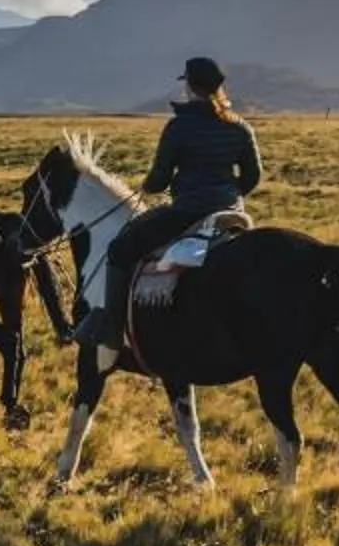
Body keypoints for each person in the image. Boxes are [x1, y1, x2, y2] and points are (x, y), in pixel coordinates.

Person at [79, 57, 263, 366]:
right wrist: (229, 195)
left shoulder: (179, 127)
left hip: (187, 212)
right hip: (232, 212)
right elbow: (253, 175)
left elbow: (159, 179)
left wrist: (148, 185)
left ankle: (112, 329)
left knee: (120, 248)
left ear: (190, 86)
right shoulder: (240, 127)